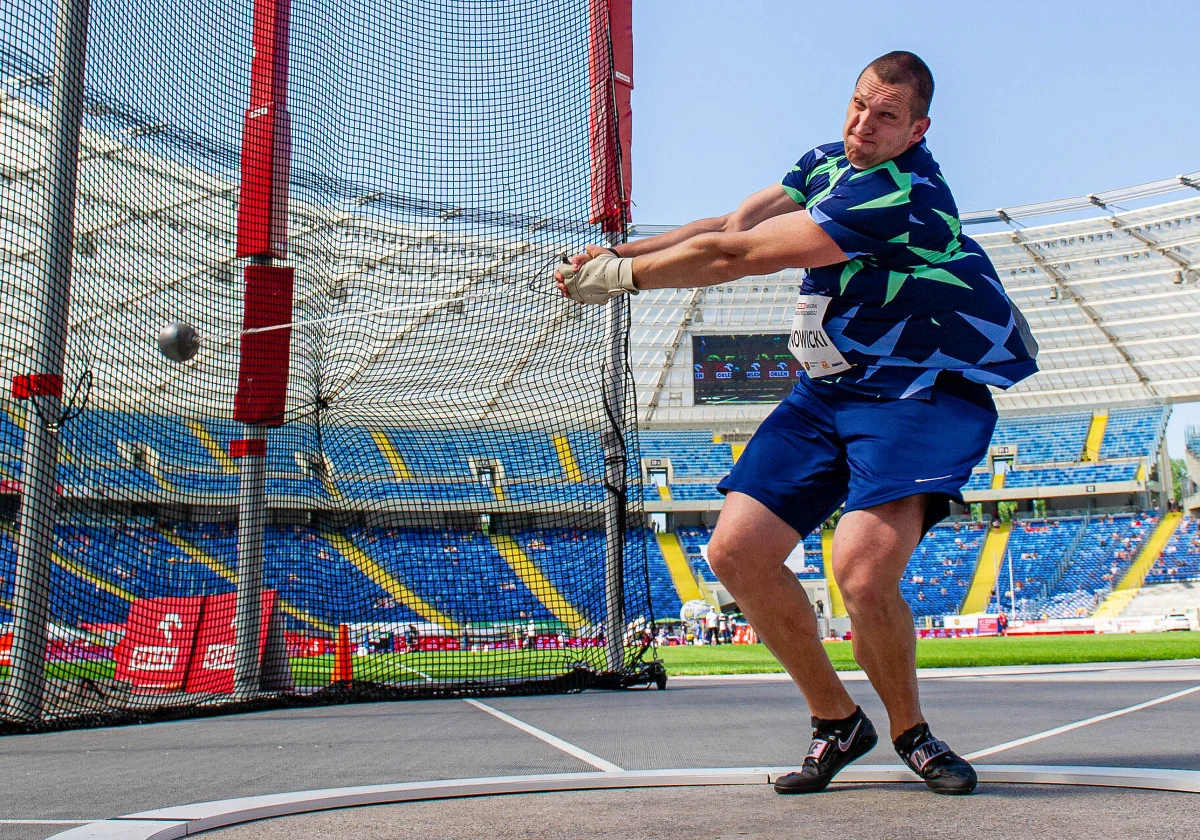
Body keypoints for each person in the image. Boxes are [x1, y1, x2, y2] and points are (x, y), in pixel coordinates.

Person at [556, 51, 1037, 796]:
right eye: (858, 105)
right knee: (736, 552)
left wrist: (620, 279)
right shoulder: (822, 164)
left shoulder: (903, 195)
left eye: (886, 117)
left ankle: (911, 731)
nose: (863, 125)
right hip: (830, 389)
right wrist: (622, 249)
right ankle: (837, 723)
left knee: (860, 569)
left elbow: (737, 257)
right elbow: (725, 223)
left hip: (915, 389)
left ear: (917, 129)